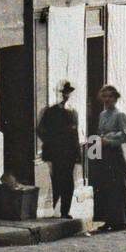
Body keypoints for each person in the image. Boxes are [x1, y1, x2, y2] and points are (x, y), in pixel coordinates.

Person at [88, 84, 126, 234]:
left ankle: (120, 220)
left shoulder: (120, 115)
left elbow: (124, 136)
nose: (107, 99)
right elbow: (99, 132)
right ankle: (108, 220)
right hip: (103, 154)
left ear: (115, 98)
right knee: (104, 186)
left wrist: (108, 140)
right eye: (105, 96)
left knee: (117, 187)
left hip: (115, 154)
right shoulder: (102, 115)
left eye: (110, 97)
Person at [36, 80, 81, 219]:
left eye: (68, 93)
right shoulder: (51, 111)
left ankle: (65, 211)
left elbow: (75, 134)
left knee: (68, 182)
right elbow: (40, 129)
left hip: (69, 152)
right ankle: (54, 209)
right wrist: (50, 142)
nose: (66, 95)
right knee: (56, 180)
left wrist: (77, 153)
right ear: (59, 94)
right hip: (55, 152)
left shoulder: (73, 112)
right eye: (64, 93)